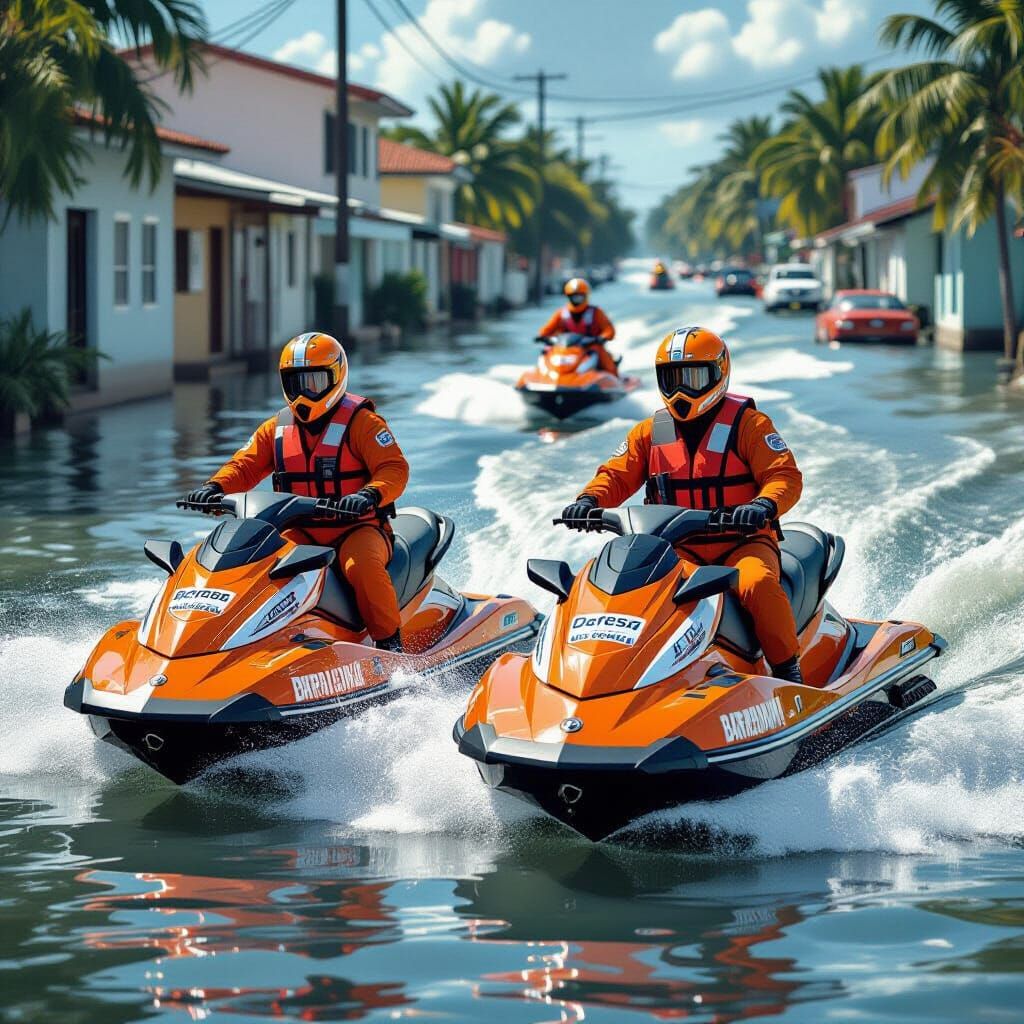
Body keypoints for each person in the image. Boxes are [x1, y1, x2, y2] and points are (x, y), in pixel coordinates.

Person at [560, 326, 805, 683]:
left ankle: (788, 672)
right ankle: (616, 679)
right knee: (623, 590)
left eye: (692, 378)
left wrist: (764, 505)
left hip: (741, 543)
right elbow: (615, 475)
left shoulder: (749, 424)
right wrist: (588, 500)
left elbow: (784, 476)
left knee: (757, 583)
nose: (680, 391)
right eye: (672, 379)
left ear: (718, 373)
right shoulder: (649, 432)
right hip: (677, 549)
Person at [184, 332, 409, 651]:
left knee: (362, 568)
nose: (304, 393)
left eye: (315, 382)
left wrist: (369, 495)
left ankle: (391, 646)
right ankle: (240, 646)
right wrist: (214, 487)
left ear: (336, 377)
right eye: (295, 383)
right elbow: (244, 466)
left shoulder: (364, 423)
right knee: (257, 568)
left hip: (357, 529)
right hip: (301, 530)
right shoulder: (274, 429)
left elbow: (394, 468)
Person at [536, 277, 619, 375]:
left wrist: (602, 338)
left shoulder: (596, 312)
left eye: (579, 296)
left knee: (600, 351)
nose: (577, 300)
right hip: (565, 347)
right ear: (569, 297)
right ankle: (544, 374)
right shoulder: (561, 313)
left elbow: (609, 330)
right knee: (547, 350)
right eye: (574, 297)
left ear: (585, 296)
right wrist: (543, 337)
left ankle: (614, 375)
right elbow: (547, 329)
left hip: (588, 346)